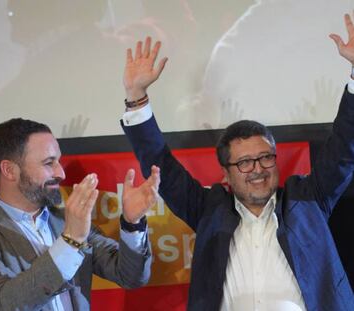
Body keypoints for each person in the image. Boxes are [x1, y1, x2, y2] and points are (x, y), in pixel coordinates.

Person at [120, 15, 354, 311]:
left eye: (265, 157)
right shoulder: (209, 210)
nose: (257, 168)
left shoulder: (308, 200)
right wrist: (136, 97)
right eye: (244, 162)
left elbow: (345, 146)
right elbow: (160, 164)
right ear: (226, 175)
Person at [0, 118, 160, 311]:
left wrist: (132, 223)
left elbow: (130, 276)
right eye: (49, 163)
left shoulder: (67, 221)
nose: (61, 173)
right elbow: (2, 304)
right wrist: (70, 241)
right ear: (9, 170)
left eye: (58, 161)